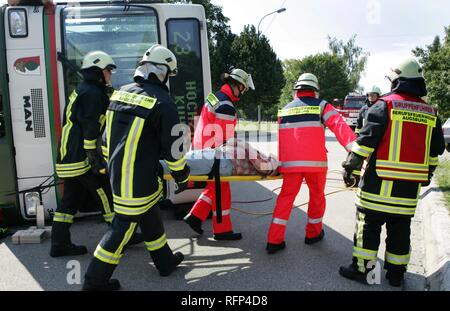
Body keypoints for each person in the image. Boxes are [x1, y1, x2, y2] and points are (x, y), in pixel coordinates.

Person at [83, 44, 190, 291]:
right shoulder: (163, 102)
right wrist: (181, 175)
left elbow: (107, 138)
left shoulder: (120, 93)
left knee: (150, 214)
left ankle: (164, 262)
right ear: (161, 71)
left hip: (120, 175)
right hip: (137, 179)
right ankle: (93, 282)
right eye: (168, 74)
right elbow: (174, 150)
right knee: (120, 229)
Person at [339, 58, 446, 287]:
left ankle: (363, 271)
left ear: (397, 80)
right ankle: (396, 275)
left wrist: (350, 168)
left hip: (377, 187)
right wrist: (426, 175)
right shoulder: (430, 113)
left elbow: (366, 140)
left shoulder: (385, 105)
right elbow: (435, 151)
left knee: (367, 227)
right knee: (400, 230)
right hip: (407, 193)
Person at [266, 73, 356, 254]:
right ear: (314, 90)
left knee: (285, 198)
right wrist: (355, 150)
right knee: (316, 196)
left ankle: (273, 240)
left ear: (297, 90)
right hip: (315, 165)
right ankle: (313, 234)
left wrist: (281, 163)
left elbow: (282, 140)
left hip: (291, 165)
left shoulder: (285, 109)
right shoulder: (322, 106)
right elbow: (340, 128)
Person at [51, 51, 118, 257]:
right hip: (80, 157)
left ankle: (59, 244)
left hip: (68, 155)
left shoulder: (85, 89)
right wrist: (94, 158)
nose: (110, 74)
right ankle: (119, 233)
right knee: (104, 192)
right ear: (98, 71)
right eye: (108, 70)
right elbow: (91, 127)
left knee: (69, 201)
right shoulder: (93, 94)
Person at [183, 68, 255, 241]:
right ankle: (222, 230)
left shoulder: (215, 97)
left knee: (213, 187)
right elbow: (225, 137)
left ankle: (194, 217)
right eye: (243, 88)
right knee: (222, 189)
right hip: (212, 153)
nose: (243, 92)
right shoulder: (226, 105)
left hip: (201, 148)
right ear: (237, 85)